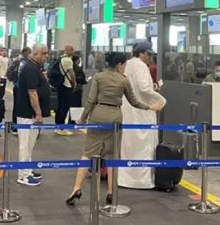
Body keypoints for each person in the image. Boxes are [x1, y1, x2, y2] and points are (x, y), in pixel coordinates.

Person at [66, 52, 164, 205]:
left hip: (98, 114)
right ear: (119, 65)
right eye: (124, 65)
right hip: (115, 117)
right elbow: (134, 102)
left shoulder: (99, 77)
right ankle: (111, 192)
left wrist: (83, 118)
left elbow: (91, 100)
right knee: (112, 155)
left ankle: (76, 188)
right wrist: (151, 107)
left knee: (87, 153)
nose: (125, 68)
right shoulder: (123, 80)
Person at [119, 42, 167, 189]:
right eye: (148, 54)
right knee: (144, 145)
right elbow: (143, 88)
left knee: (128, 145)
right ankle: (142, 180)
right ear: (142, 53)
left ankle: (125, 178)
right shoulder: (141, 66)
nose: (149, 57)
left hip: (128, 109)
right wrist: (160, 100)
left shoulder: (128, 64)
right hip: (142, 111)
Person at [16, 44, 51, 187]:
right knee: (24, 145)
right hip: (27, 113)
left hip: (31, 114)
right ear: (35, 53)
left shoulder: (34, 67)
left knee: (30, 144)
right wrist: (38, 113)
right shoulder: (30, 68)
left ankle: (28, 169)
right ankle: (23, 175)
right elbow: (32, 93)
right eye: (44, 53)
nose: (46, 56)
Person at [54, 44, 76, 136]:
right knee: (65, 107)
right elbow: (72, 74)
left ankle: (57, 126)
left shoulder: (60, 59)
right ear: (68, 50)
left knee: (59, 107)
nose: (73, 51)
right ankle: (62, 128)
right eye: (72, 49)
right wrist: (74, 83)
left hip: (60, 85)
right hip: (66, 85)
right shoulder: (68, 60)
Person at [11, 47, 31, 134]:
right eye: (29, 52)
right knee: (17, 107)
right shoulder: (22, 62)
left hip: (18, 87)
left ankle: (16, 127)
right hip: (19, 88)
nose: (30, 54)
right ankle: (15, 127)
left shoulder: (21, 61)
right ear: (25, 52)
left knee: (17, 106)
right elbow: (22, 75)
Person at [69, 55, 87, 124]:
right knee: (77, 105)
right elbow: (83, 80)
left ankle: (71, 121)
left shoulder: (69, 68)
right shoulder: (78, 69)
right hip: (77, 90)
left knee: (71, 105)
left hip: (70, 90)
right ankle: (76, 120)